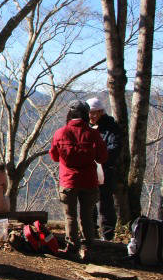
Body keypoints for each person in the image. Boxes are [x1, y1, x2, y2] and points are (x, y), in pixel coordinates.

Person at [49, 100, 107, 261]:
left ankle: (71, 247)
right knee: (87, 215)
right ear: (86, 114)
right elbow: (102, 157)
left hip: (68, 181)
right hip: (89, 181)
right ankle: (87, 247)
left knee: (70, 216)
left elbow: (54, 156)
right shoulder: (93, 134)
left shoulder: (60, 133)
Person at [86, 97, 122, 241]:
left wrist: (98, 156)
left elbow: (115, 147)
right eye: (90, 113)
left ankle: (108, 234)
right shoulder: (86, 127)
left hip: (106, 170)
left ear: (101, 112)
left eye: (95, 113)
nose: (92, 116)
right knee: (89, 201)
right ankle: (91, 231)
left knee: (105, 203)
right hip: (89, 170)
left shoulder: (111, 127)